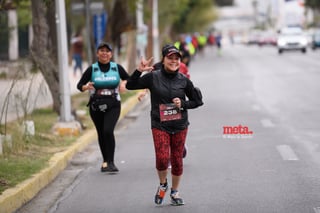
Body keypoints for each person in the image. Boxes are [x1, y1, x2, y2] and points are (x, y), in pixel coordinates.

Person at [126, 44, 203, 206]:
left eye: (176, 58)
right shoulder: (153, 77)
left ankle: (175, 192)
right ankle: (163, 185)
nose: (174, 61)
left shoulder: (184, 80)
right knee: (162, 159)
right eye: (170, 58)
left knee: (176, 159)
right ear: (164, 59)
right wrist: (139, 70)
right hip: (159, 124)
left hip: (180, 125)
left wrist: (182, 104)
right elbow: (130, 85)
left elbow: (198, 101)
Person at [76, 42, 129, 173]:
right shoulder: (92, 69)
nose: (104, 53)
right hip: (96, 105)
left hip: (113, 104)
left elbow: (129, 79)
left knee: (107, 130)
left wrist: (124, 83)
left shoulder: (116, 68)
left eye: (107, 51)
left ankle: (111, 162)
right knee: (101, 132)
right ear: (97, 53)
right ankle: (105, 162)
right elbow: (79, 85)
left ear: (111, 54)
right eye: (101, 50)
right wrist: (86, 87)